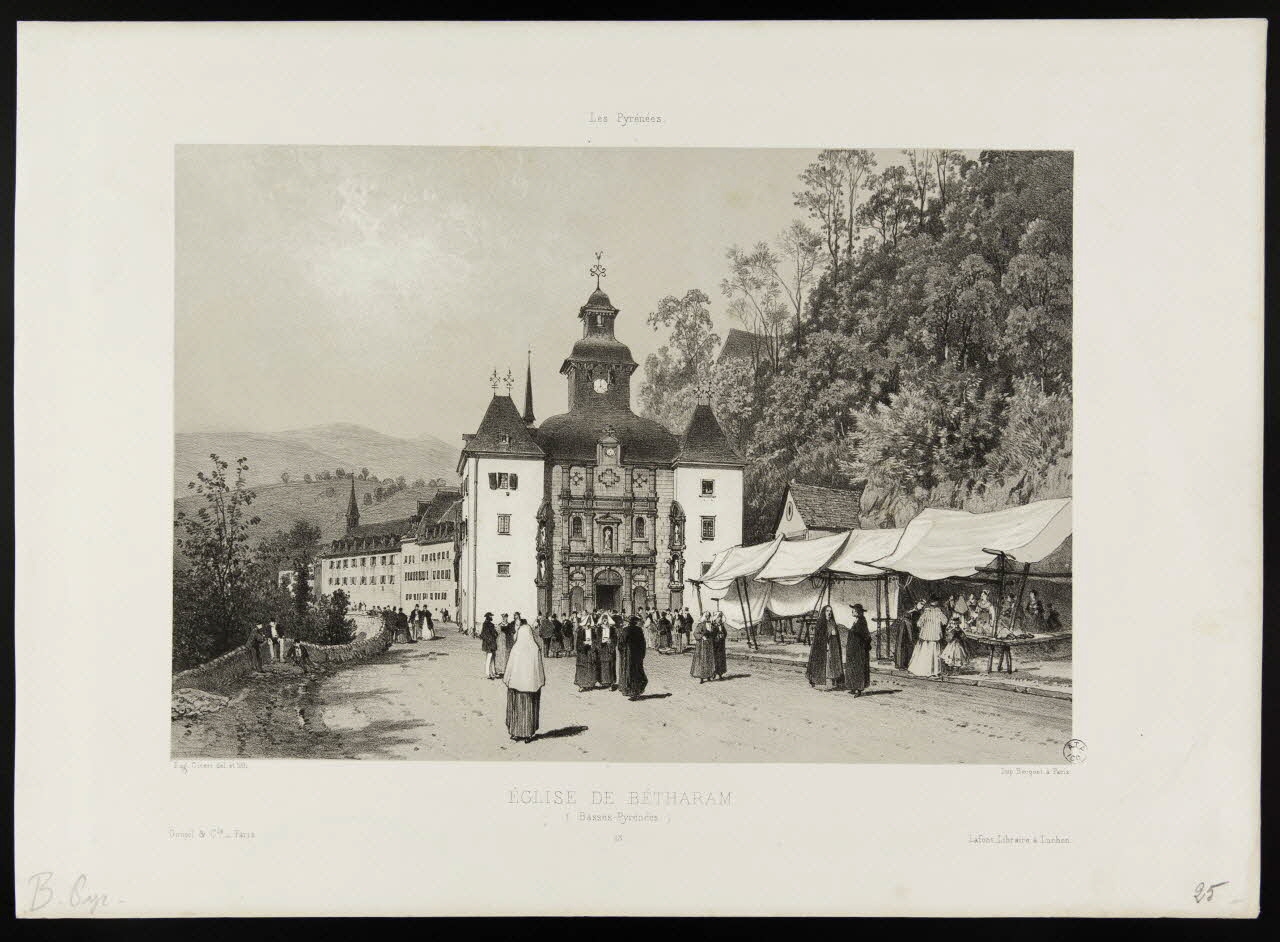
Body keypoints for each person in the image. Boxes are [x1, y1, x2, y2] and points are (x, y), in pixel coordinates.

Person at [504, 618, 546, 743]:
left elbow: (510, 667)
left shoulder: (516, 648)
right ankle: (528, 734)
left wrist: (507, 679)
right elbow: (539, 668)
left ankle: (517, 733)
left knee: (517, 708)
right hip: (530, 687)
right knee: (528, 709)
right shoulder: (534, 648)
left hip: (516, 687)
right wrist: (539, 681)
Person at [806, 605, 844, 690]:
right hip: (822, 647)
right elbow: (819, 636)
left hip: (832, 647)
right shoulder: (820, 622)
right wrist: (830, 635)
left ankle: (833, 682)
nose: (829, 612)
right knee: (821, 664)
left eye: (830, 611)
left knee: (831, 664)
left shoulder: (832, 622)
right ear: (824, 612)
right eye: (827, 611)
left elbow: (835, 635)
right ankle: (816, 681)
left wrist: (834, 635)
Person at [908, 598, 946, 677]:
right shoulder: (939, 612)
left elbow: (919, 624)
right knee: (934, 654)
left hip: (926, 636)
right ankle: (933, 672)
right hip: (935, 636)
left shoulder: (926, 612)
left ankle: (923, 670)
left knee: (924, 652)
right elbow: (945, 621)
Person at [618, 615, 649, 700]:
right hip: (637, 655)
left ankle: (628, 691)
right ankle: (636, 691)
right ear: (635, 622)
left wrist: (622, 651)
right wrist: (642, 654)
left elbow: (620, 644)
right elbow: (643, 643)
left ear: (628, 622)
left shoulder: (625, 630)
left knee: (628, 672)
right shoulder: (639, 630)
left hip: (628, 655)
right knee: (637, 671)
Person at [845, 603, 873, 696]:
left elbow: (865, 636)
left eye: (854, 610)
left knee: (859, 668)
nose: (852, 611)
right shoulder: (856, 621)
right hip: (854, 649)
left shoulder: (862, 621)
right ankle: (853, 687)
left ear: (858, 612)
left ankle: (859, 689)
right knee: (853, 667)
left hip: (859, 650)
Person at [574, 613, 600, 692]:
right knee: (582, 668)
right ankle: (582, 685)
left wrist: (593, 644)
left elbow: (596, 640)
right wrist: (584, 643)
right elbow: (578, 643)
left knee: (591, 668)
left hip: (590, 652)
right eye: (586, 623)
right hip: (583, 653)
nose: (588, 625)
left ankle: (590, 684)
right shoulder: (580, 631)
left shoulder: (593, 631)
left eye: (589, 623)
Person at [893, 601, 922, 670]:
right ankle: (901, 664)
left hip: (907, 629)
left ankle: (903, 664)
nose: (922, 606)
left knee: (906, 647)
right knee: (903, 646)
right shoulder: (912, 613)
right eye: (921, 604)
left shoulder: (915, 612)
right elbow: (912, 624)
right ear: (916, 604)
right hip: (905, 630)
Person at [690, 613, 716, 683]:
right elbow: (695, 633)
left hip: (709, 645)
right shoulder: (700, 625)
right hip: (702, 646)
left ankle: (708, 676)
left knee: (709, 660)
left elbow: (713, 633)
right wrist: (702, 636)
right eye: (706, 617)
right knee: (702, 661)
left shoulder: (711, 625)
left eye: (709, 617)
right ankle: (701, 677)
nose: (707, 618)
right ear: (704, 617)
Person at [598, 613, 617, 690]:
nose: (605, 621)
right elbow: (597, 638)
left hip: (610, 649)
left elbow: (615, 639)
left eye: (606, 620)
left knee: (611, 665)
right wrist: (601, 641)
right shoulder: (599, 629)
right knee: (602, 665)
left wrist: (610, 641)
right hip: (602, 649)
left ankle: (611, 683)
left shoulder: (612, 629)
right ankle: (603, 682)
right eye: (603, 620)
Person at [480, 613, 499, 679]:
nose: (491, 617)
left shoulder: (485, 624)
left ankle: (492, 672)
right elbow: (494, 634)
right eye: (491, 616)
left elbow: (482, 635)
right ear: (488, 617)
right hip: (490, 643)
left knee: (491, 658)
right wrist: (490, 639)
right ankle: (488, 673)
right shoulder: (489, 625)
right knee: (490, 658)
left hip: (489, 643)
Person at [713, 612, 729, 679]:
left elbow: (725, 633)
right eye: (718, 617)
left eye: (720, 617)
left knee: (721, 659)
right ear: (715, 618)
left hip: (721, 644)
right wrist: (716, 637)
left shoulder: (722, 626)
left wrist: (722, 636)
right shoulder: (713, 625)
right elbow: (712, 634)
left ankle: (720, 674)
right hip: (715, 645)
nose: (719, 619)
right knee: (715, 659)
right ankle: (713, 673)